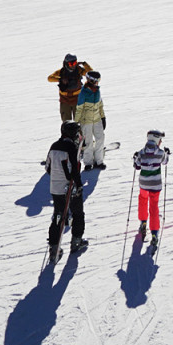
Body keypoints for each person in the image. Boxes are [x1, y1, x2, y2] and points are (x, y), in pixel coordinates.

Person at [46, 122, 87, 255]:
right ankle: (76, 241)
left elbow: (48, 168)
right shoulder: (72, 148)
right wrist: (78, 185)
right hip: (70, 188)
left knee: (58, 215)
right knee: (77, 213)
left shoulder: (54, 146)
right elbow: (75, 170)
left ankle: (54, 246)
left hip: (55, 188)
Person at [132, 130, 169, 247]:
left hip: (144, 184)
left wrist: (135, 158)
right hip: (155, 185)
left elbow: (137, 166)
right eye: (160, 140)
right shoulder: (160, 153)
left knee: (143, 200)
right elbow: (165, 161)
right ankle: (154, 232)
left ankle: (143, 222)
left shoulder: (141, 152)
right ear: (156, 140)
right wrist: (166, 154)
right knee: (153, 206)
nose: (161, 142)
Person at [48, 53, 93, 124]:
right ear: (66, 63)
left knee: (79, 122)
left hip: (77, 99)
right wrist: (60, 79)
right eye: (71, 64)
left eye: (75, 63)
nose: (73, 65)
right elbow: (50, 78)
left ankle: (80, 131)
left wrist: (84, 64)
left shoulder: (79, 70)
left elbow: (91, 73)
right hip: (65, 100)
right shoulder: (61, 72)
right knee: (66, 122)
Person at [74, 70, 107, 169]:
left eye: (98, 81)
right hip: (86, 121)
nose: (97, 83)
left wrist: (103, 117)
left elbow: (100, 105)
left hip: (97, 120)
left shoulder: (97, 91)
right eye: (96, 81)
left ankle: (99, 161)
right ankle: (88, 163)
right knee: (88, 142)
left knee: (100, 139)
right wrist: (76, 123)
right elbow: (79, 109)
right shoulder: (83, 93)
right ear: (90, 80)